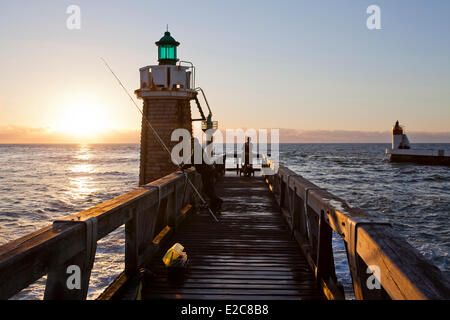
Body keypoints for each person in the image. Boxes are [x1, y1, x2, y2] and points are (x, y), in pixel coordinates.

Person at [182, 138, 223, 213]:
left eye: (191, 143)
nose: (190, 145)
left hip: (207, 172)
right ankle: (214, 205)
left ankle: (218, 201)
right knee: (210, 189)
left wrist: (183, 167)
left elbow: (192, 160)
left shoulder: (197, 150)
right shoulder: (198, 149)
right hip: (209, 171)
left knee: (207, 190)